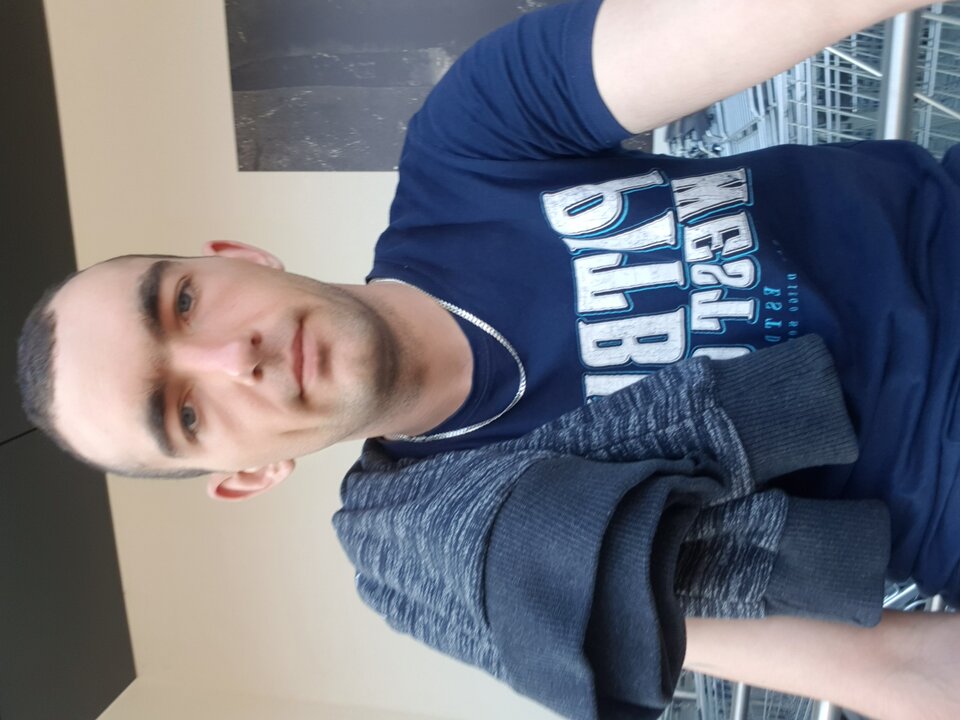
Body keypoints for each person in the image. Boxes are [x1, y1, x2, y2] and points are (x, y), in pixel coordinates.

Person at [16, 0, 960, 718]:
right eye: (185, 412)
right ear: (248, 474)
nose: (234, 355)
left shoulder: (471, 139)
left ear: (239, 258)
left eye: (183, 303)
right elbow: (894, 667)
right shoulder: (501, 551)